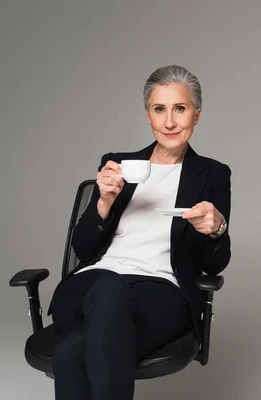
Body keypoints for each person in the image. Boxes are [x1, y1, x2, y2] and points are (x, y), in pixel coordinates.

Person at [46, 65, 232, 400]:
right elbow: (84, 248)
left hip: (160, 293)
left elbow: (215, 264)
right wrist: (102, 202)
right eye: (159, 109)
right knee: (107, 288)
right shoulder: (117, 165)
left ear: (197, 115)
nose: (169, 122)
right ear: (148, 115)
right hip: (91, 285)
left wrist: (216, 227)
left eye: (180, 108)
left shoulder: (212, 175)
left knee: (72, 348)